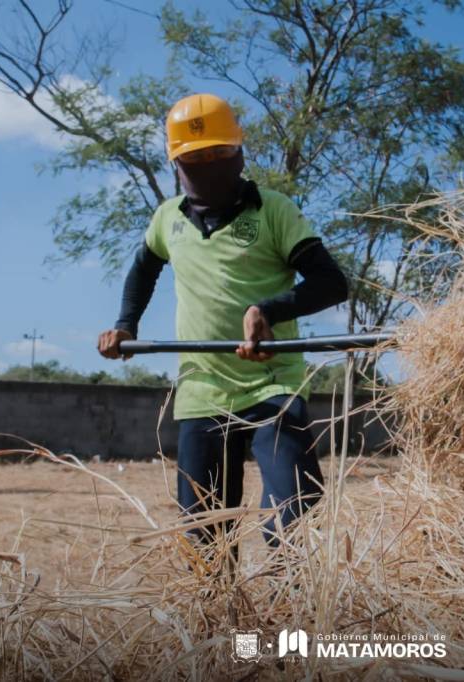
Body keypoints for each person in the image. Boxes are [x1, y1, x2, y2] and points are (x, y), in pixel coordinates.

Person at [97, 93, 348, 557]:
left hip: (272, 387)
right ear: (177, 164)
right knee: (205, 539)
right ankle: (225, 629)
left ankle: (286, 617)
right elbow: (143, 270)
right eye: (196, 158)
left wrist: (268, 311)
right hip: (201, 392)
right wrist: (125, 324)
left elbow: (332, 282)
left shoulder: (274, 210)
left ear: (239, 154)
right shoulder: (166, 220)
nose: (208, 165)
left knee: (293, 512)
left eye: (217, 154)